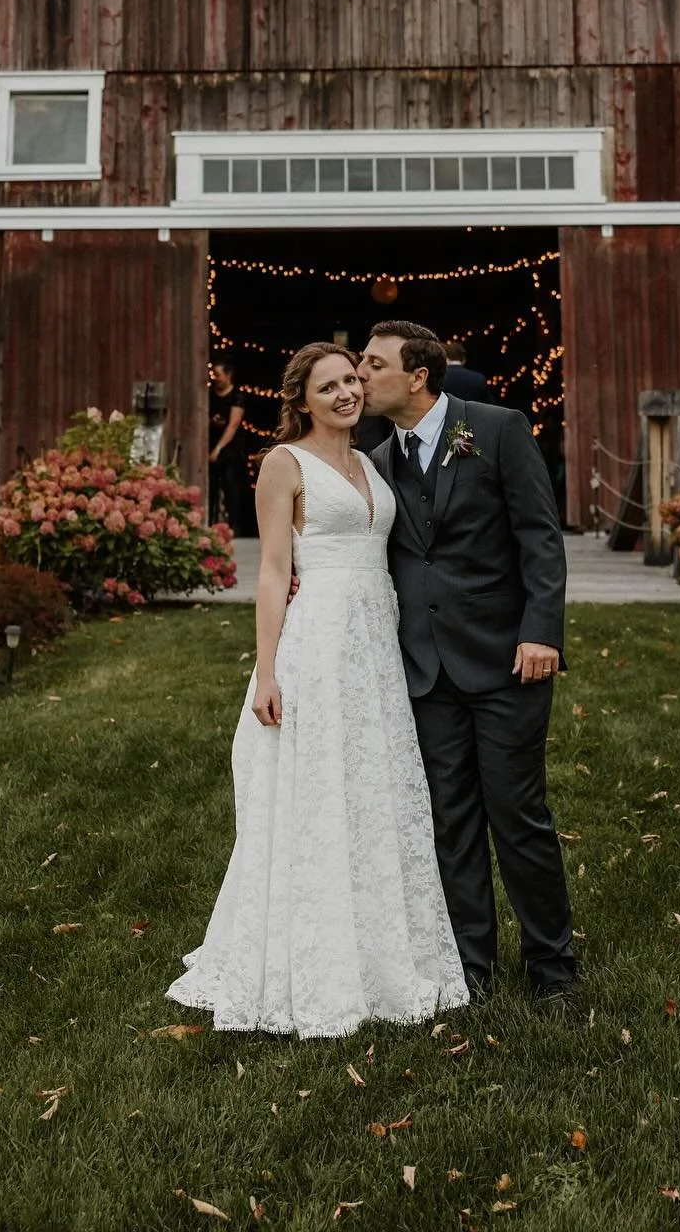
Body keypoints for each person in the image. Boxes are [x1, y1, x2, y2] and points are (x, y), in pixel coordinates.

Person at [167, 342, 468, 1037]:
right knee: (319, 792)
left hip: (375, 647)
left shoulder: (371, 460)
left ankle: (383, 949)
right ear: (302, 400)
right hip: (319, 646)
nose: (345, 394)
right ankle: (312, 958)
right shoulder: (283, 463)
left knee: (372, 791)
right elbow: (274, 571)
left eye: (351, 382)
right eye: (328, 387)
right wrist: (266, 670)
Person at [360, 320, 575, 1009]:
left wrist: (541, 631)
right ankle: (469, 970)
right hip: (424, 670)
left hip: (509, 660)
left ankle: (552, 968)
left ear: (417, 375)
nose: (360, 376)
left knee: (518, 816)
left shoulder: (498, 428)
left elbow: (539, 536)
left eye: (372, 364)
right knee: (449, 824)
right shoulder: (374, 455)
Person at [208, 358, 256, 537]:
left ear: (228, 375)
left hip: (230, 448)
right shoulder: (210, 394)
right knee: (211, 485)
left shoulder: (237, 396)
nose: (215, 378)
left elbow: (233, 424)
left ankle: (235, 525)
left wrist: (218, 449)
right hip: (211, 443)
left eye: (218, 374)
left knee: (231, 485)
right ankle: (210, 521)